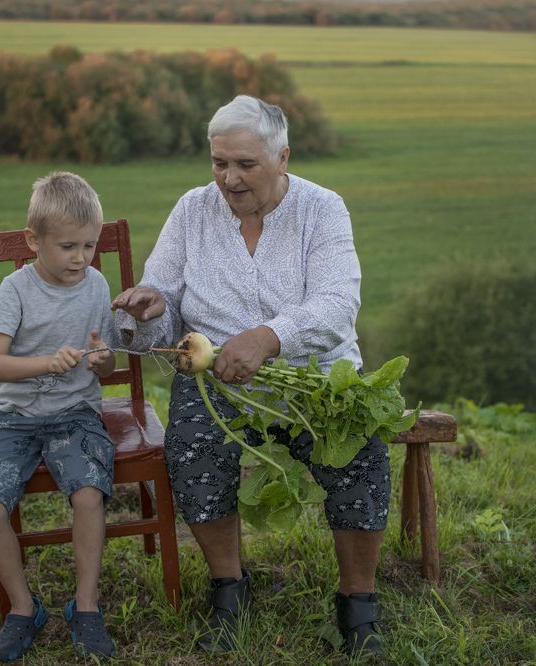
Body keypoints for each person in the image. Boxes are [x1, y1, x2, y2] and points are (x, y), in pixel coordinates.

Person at [112, 96, 389, 658]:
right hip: (216, 383)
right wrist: (148, 310)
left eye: (245, 164)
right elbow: (163, 303)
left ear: (282, 157)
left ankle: (358, 603)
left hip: (312, 377)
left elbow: (339, 302)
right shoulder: (192, 211)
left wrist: (266, 338)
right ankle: (229, 590)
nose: (229, 179)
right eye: (219, 164)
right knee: (192, 449)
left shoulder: (322, 209)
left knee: (360, 453)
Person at [0, 172, 117, 661]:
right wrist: (44, 363)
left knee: (89, 492)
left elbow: (109, 356)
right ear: (34, 241)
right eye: (68, 246)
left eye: (90, 245)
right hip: (15, 417)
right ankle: (22, 609)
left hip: (75, 413)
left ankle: (86, 607)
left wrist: (102, 359)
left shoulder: (96, 284)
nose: (81, 258)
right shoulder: (15, 289)